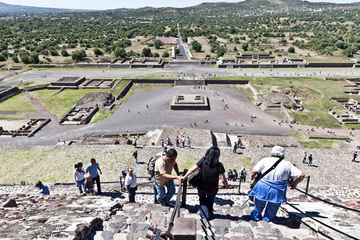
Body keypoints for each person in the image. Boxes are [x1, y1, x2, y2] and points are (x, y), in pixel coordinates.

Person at [248, 146, 305, 222]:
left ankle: (256, 217)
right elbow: (301, 175)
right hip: (278, 189)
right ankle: (267, 220)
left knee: (259, 204)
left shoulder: (265, 160)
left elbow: (254, 171)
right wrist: (294, 183)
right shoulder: (287, 164)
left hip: (263, 187)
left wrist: (251, 178)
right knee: (273, 207)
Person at [181, 146, 229, 220]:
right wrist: (227, 186)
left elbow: (192, 170)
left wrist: (185, 177)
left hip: (202, 186)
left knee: (202, 199)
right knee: (211, 199)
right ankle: (209, 212)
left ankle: (204, 214)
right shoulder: (219, 165)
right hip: (213, 187)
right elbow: (223, 180)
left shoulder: (202, 161)